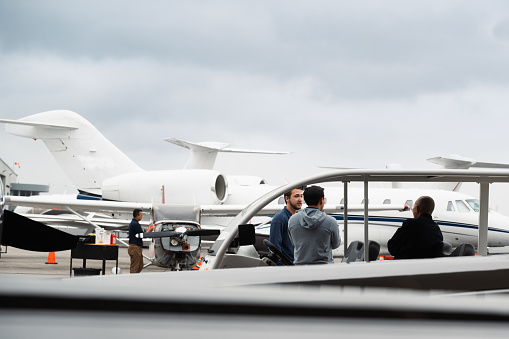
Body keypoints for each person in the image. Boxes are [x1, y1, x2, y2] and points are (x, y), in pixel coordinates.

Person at [288, 185, 340, 265]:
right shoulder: (331, 221)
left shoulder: (292, 220)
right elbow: (336, 244)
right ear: (321, 200)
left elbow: (294, 243)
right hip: (324, 270)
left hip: (300, 269)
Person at [269, 187, 303, 264]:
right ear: (287, 199)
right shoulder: (279, 218)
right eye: (296, 196)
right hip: (286, 268)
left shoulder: (298, 217)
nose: (300, 199)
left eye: (301, 196)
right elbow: (274, 248)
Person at [128, 209, 154, 273]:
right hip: (135, 248)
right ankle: (132, 280)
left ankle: (135, 279)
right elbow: (142, 235)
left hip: (136, 248)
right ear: (137, 215)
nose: (141, 217)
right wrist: (149, 230)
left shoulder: (133, 223)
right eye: (141, 215)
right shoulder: (135, 224)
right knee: (135, 267)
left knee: (140, 266)